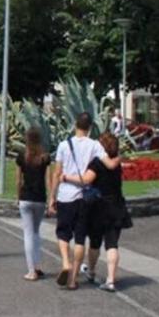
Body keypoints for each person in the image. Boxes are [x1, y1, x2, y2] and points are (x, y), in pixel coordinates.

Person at [48, 112, 104, 290]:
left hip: (66, 194)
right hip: (85, 197)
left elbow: (57, 172)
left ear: (75, 125)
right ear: (89, 128)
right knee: (80, 238)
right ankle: (73, 279)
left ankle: (66, 262)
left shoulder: (64, 145)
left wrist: (52, 196)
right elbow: (106, 161)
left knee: (63, 233)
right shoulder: (95, 145)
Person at [82, 132, 127, 292]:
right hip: (116, 205)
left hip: (98, 207)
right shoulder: (116, 162)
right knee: (112, 244)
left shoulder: (96, 163)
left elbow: (86, 179)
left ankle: (92, 271)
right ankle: (110, 279)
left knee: (95, 242)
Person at [16, 126, 51, 281]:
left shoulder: (22, 156)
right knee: (36, 233)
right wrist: (51, 198)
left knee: (28, 234)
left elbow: (18, 180)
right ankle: (37, 266)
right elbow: (48, 179)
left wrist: (18, 197)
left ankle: (31, 271)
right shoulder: (45, 157)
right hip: (39, 198)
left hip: (26, 197)